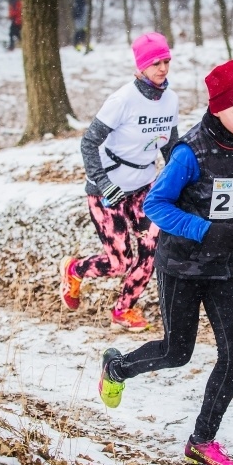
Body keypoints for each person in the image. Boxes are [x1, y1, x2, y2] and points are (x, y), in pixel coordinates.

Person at [97, 60, 233, 465]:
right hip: (182, 266)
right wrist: (203, 230)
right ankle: (116, 367)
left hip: (225, 266)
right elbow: (156, 205)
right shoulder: (190, 151)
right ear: (217, 108)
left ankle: (202, 440)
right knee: (177, 352)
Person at [60, 32, 179, 332]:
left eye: (165, 61)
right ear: (139, 67)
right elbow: (88, 143)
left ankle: (123, 310)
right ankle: (74, 270)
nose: (162, 68)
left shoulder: (171, 100)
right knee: (119, 263)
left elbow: (169, 147)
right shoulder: (122, 100)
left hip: (143, 187)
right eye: (155, 63)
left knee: (153, 247)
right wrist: (102, 182)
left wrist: (180, 180)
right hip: (106, 191)